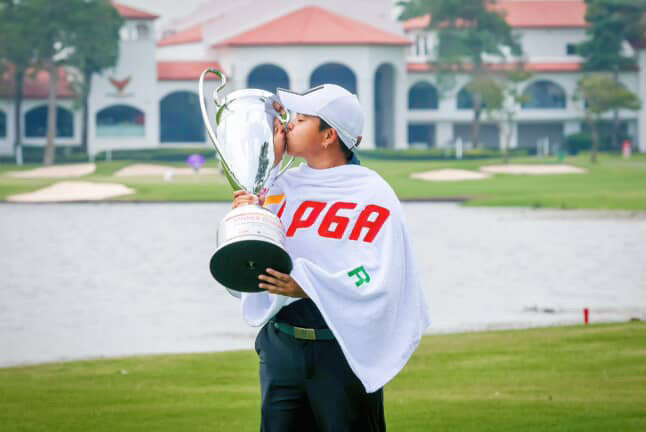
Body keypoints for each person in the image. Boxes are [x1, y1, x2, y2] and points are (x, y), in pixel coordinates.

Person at [230, 84, 430, 431]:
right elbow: (250, 258)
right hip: (282, 346)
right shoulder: (278, 185)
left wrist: (308, 285)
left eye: (302, 119)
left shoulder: (371, 193)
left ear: (328, 136)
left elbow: (378, 274)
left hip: (340, 350)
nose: (289, 124)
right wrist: (252, 198)